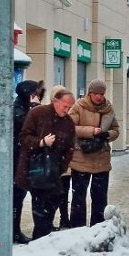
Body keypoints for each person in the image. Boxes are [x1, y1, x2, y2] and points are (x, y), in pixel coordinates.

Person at [14, 87, 76, 240]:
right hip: (34, 170)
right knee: (40, 206)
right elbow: (24, 138)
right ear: (55, 101)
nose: (66, 110)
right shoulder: (37, 113)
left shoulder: (68, 122)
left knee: (55, 199)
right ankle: (40, 239)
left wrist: (62, 165)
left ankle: (42, 237)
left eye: (69, 107)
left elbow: (70, 147)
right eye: (64, 106)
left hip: (53, 172)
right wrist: (41, 142)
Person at [68, 79, 120, 228]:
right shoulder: (79, 106)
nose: (99, 97)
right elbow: (70, 127)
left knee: (100, 197)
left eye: (101, 94)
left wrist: (107, 135)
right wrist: (91, 131)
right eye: (96, 93)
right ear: (89, 93)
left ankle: (99, 226)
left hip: (101, 160)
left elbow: (116, 130)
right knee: (79, 196)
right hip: (81, 158)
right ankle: (77, 228)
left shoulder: (108, 108)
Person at [12, 79, 45, 244]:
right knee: (16, 197)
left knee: (22, 195)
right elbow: (29, 126)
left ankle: (16, 230)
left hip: (25, 158)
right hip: (18, 158)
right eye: (36, 92)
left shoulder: (23, 107)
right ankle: (13, 231)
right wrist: (34, 108)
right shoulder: (18, 109)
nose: (38, 96)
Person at [50, 84, 72, 230]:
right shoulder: (47, 116)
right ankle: (60, 219)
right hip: (54, 165)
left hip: (62, 165)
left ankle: (64, 218)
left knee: (62, 194)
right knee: (57, 195)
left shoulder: (67, 118)